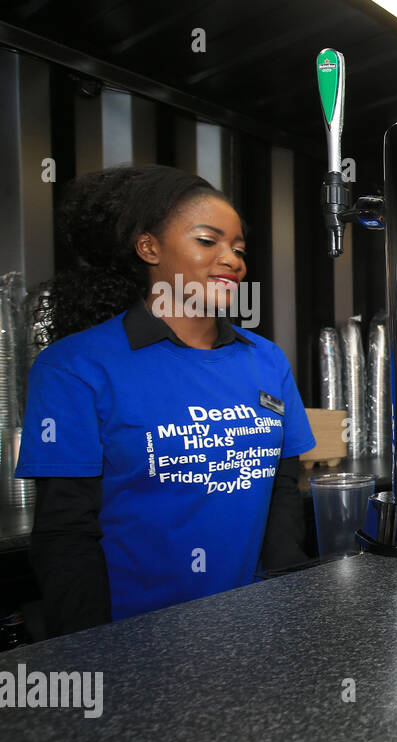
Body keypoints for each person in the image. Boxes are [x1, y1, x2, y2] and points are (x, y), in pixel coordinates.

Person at [16, 165, 315, 635]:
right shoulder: (74, 367)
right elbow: (65, 530)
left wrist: (284, 601)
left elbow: (281, 484)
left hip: (253, 628)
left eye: (238, 248)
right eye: (207, 241)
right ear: (148, 246)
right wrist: (94, 653)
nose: (232, 260)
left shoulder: (266, 360)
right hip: (138, 641)